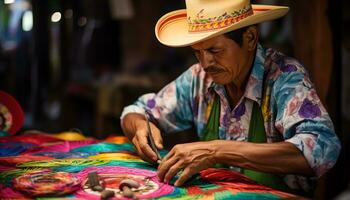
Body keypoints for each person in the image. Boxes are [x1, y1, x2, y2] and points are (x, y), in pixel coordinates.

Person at [120, 0, 341, 195]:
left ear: (250, 38)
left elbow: (321, 149)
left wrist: (214, 151)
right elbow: (136, 111)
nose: (205, 63)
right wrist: (139, 127)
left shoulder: (284, 78)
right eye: (197, 52)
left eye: (215, 51)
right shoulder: (199, 79)